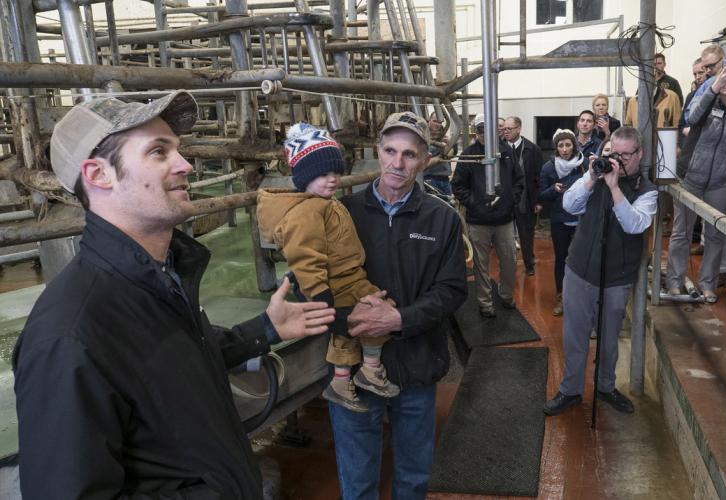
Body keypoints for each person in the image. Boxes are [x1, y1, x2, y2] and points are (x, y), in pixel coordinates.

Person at [12, 92, 336, 498]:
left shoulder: (161, 276)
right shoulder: (70, 335)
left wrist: (265, 328)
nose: (186, 165)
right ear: (99, 174)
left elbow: (175, 361)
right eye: (158, 152)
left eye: (178, 150)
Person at [328, 111, 468, 499]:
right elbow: (319, 285)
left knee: (413, 478)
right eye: (390, 150)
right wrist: (351, 320)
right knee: (357, 483)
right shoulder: (344, 213)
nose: (397, 162)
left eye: (409, 154)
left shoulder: (441, 218)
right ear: (377, 151)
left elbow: (453, 290)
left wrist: (398, 318)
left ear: (424, 160)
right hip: (352, 373)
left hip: (416, 370)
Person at [257, 123, 400, 413]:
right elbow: (304, 258)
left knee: (354, 327)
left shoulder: (323, 202)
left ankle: (343, 380)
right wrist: (320, 296)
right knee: (372, 314)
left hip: (349, 277)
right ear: (304, 177)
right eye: (323, 174)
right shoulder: (307, 211)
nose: (332, 180)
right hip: (336, 284)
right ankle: (368, 370)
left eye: (335, 172)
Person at [543, 126, 657, 416]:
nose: (617, 160)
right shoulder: (594, 173)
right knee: (575, 337)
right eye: (612, 153)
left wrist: (615, 186)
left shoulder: (647, 190)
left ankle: (605, 387)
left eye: (625, 155)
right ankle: (570, 391)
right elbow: (569, 205)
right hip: (580, 269)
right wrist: (593, 178)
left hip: (616, 278)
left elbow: (635, 225)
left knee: (609, 340)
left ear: (639, 154)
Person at [667, 65, 726, 303]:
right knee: (681, 232)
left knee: (715, 234)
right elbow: (692, 118)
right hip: (691, 175)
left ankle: (708, 284)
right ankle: (674, 281)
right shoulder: (705, 100)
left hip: (721, 180)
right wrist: (712, 88)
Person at [452, 114, 524, 317]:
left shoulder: (506, 152)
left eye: (487, 130)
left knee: (509, 260)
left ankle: (506, 295)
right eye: (480, 130)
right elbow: (457, 185)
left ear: (495, 131)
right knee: (481, 265)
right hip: (478, 221)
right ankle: (485, 304)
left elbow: (519, 180)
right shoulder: (468, 155)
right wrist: (475, 202)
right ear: (476, 132)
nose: (483, 134)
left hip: (505, 220)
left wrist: (511, 199)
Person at [538, 129, 588, 316]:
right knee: (561, 259)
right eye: (561, 145)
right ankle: (562, 296)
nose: (565, 149)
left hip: (582, 220)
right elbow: (541, 195)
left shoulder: (583, 165)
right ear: (556, 147)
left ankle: (581, 298)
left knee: (582, 259)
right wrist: (553, 190)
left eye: (568, 145)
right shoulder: (549, 168)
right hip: (560, 221)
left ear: (574, 146)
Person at [503, 115, 544, 276]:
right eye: (504, 129)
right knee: (504, 238)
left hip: (525, 200)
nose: (505, 132)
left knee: (526, 235)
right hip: (505, 200)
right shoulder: (498, 148)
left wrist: (539, 201)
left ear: (519, 129)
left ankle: (529, 264)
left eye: (509, 129)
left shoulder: (533, 150)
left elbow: (540, 176)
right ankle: (507, 267)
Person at [684, 44, 726, 123]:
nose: (709, 70)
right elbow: (689, 116)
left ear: (723, 60)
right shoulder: (708, 84)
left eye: (712, 65)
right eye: (705, 67)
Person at [424, 111, 454, 195]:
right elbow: (422, 164)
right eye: (435, 121)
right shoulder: (422, 136)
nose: (438, 124)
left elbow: (450, 154)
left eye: (440, 122)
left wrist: (449, 144)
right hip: (428, 180)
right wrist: (438, 158)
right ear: (428, 120)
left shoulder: (443, 136)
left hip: (445, 180)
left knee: (448, 205)